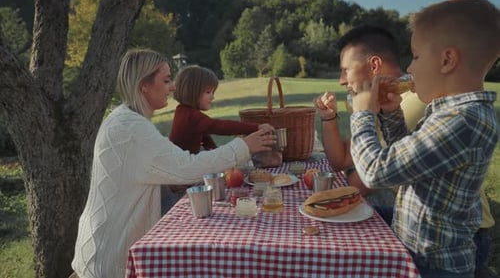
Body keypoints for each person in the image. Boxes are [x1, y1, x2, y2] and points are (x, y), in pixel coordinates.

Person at [71, 49, 275, 278]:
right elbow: (186, 167)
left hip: (107, 248)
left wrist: (169, 185)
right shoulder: (130, 129)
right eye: (166, 80)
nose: (173, 87)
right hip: (110, 260)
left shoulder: (127, 120)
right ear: (143, 86)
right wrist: (244, 146)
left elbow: (141, 176)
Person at [349, 0, 499, 278]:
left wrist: (362, 114)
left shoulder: (463, 120)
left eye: (416, 57)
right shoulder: (450, 112)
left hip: (434, 265)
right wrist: (392, 114)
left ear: (447, 60)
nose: (411, 68)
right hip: (414, 246)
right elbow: (408, 161)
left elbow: (375, 172)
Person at [314, 25, 427, 207]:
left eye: (346, 70)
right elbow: (340, 161)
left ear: (374, 65)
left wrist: (362, 114)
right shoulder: (382, 101)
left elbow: (361, 183)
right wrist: (329, 118)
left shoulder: (412, 104)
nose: (341, 80)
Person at [169, 64, 273, 154]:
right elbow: (220, 126)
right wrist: (256, 127)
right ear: (193, 91)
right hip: (182, 170)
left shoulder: (184, 112)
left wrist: (219, 157)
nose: (212, 97)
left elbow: (206, 141)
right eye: (208, 92)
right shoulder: (190, 116)